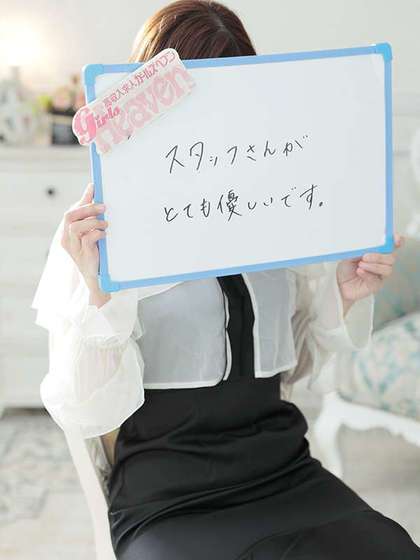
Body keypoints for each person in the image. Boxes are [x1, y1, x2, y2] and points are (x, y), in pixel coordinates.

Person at [32, 1, 420, 559]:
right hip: (167, 498)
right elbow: (87, 413)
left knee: (390, 549)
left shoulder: (279, 205)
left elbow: (297, 370)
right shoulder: (99, 229)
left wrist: (343, 294)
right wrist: (99, 293)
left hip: (281, 471)